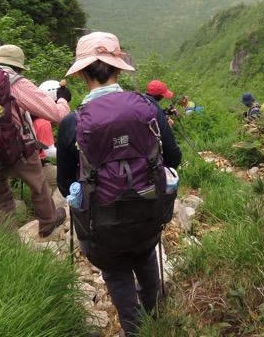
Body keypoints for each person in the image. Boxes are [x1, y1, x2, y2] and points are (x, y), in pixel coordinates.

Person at [57, 32, 182, 337]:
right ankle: (156, 317)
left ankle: (135, 330)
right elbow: (174, 159)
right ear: (117, 67)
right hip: (148, 212)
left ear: (83, 73)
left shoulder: (73, 122)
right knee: (145, 255)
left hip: (101, 226)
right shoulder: (149, 109)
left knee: (115, 273)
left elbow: (64, 185)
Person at [0, 44, 70, 237]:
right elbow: (58, 116)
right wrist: (63, 100)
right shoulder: (15, 82)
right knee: (38, 184)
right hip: (14, 149)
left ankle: (9, 244)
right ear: (19, 67)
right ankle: (48, 221)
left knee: (1, 198)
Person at [34, 79, 72, 195]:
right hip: (37, 167)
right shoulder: (43, 122)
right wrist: (72, 154)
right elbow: (49, 152)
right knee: (70, 177)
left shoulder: (33, 115)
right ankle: (56, 208)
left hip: (29, 164)